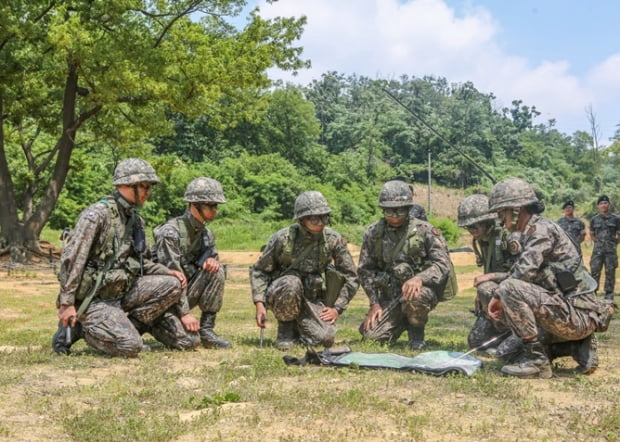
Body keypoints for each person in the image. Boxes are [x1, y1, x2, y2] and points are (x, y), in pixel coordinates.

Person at [52, 158, 187, 357]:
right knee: (130, 347)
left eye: (150, 187)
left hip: (120, 292)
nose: (148, 192)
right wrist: (66, 303)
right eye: (144, 186)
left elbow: (141, 262)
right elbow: (72, 260)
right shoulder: (97, 215)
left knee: (172, 284)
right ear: (126, 185)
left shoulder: (135, 219)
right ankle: (82, 328)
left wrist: (167, 272)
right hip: (94, 298)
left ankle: (126, 328)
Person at [487, 178, 612, 378]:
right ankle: (575, 347)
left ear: (517, 209)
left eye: (502, 211)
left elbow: (522, 273)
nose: (500, 218)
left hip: (576, 314)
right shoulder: (528, 233)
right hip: (561, 311)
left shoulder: (540, 230)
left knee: (508, 288)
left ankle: (538, 362)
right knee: (505, 353)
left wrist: (497, 293)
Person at [250, 191, 359, 350]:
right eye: (314, 218)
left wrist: (337, 308)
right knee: (291, 282)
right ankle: (285, 330)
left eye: (324, 217)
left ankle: (300, 329)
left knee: (326, 338)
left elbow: (351, 276)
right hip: (283, 293)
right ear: (301, 219)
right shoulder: (282, 238)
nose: (321, 222)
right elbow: (259, 271)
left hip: (312, 298)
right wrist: (260, 304)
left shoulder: (332, 239)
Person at [358, 180, 453, 350]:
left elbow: (443, 264)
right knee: (371, 336)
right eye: (389, 211)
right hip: (390, 296)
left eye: (400, 210)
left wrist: (419, 278)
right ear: (382, 209)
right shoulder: (373, 233)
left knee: (415, 297)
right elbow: (366, 270)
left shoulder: (426, 231)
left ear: (409, 208)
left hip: (418, 294)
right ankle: (401, 320)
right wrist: (374, 303)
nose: (394, 216)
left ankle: (416, 334)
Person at [152, 177, 231, 350]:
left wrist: (211, 261)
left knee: (216, 271)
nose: (214, 210)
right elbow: (171, 277)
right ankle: (150, 325)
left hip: (182, 295)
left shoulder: (206, 234)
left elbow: (212, 258)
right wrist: (185, 313)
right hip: (162, 300)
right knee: (189, 343)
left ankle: (207, 330)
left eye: (216, 206)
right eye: (210, 206)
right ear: (194, 205)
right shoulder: (170, 232)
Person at [457, 194, 519, 358]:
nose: (471, 231)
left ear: (488, 221)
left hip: (516, 294)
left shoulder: (509, 236)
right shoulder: (484, 240)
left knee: (485, 287)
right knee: (476, 341)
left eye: (475, 226)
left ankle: (517, 332)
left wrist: (491, 277)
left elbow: (524, 273)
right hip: (499, 294)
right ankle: (504, 334)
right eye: (468, 227)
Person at [589, 195, 620, 300]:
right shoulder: (594, 219)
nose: (603, 205)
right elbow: (592, 234)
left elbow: (619, 235)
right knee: (595, 271)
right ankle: (593, 293)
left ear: (609, 205)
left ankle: (609, 294)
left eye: (605, 203)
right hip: (597, 251)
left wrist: (612, 244)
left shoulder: (616, 219)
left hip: (610, 251)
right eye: (601, 203)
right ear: (598, 206)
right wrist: (598, 243)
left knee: (610, 272)